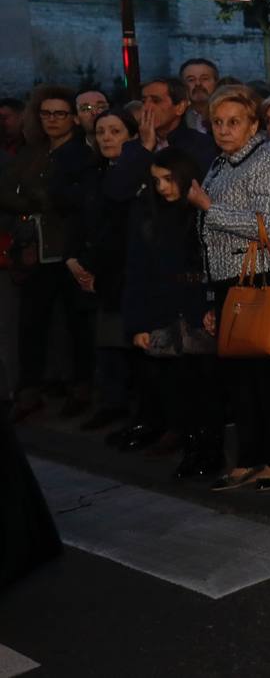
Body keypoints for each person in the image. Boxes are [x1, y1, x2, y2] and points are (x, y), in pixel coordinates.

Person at [189, 84, 270, 492]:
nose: (224, 129)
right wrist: (210, 296)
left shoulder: (267, 161)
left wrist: (208, 207)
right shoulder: (220, 164)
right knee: (238, 379)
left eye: (234, 121)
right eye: (217, 122)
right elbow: (207, 237)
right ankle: (249, 458)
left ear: (254, 123)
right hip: (227, 283)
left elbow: (267, 227)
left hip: (263, 279)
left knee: (267, 377)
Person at [0, 86, 96, 422]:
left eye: (59, 113)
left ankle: (80, 389)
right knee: (31, 324)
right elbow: (9, 194)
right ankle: (29, 392)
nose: (52, 120)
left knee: (75, 326)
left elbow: (77, 202)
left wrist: (42, 201)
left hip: (70, 250)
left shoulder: (81, 154)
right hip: (35, 250)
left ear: (71, 117)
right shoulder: (31, 153)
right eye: (46, 113)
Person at [124, 147, 214, 480]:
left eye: (168, 179)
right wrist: (138, 323)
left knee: (204, 390)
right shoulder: (148, 214)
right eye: (156, 180)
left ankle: (205, 451)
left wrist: (211, 306)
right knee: (174, 387)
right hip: (162, 310)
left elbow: (215, 265)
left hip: (198, 311)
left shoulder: (202, 212)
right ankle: (187, 445)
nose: (162, 187)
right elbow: (137, 270)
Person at [74, 109, 139, 433]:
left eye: (115, 131)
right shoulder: (94, 174)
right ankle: (113, 405)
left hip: (129, 269)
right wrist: (80, 262)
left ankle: (135, 412)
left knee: (132, 346)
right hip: (102, 269)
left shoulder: (134, 175)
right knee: (107, 342)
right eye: (101, 132)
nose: (107, 138)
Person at [105, 78, 217, 205]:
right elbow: (116, 191)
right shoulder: (132, 147)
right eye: (143, 101)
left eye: (156, 101)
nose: (147, 107)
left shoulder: (202, 145)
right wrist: (146, 148)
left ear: (180, 107)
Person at [180, 58, 220, 134]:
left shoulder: (228, 114)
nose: (198, 84)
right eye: (191, 80)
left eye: (204, 79)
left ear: (216, 83)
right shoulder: (177, 120)